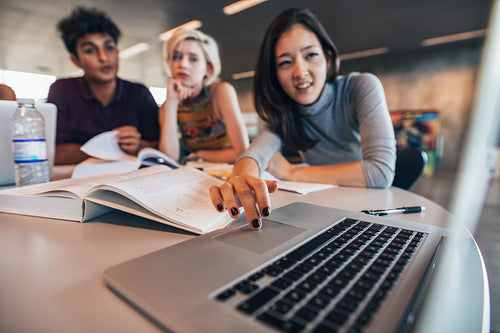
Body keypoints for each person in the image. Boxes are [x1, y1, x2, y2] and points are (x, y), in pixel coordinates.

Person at [209, 8, 396, 230]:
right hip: (322, 207)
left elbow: (380, 172)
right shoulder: (283, 110)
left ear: (327, 59)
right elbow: (255, 154)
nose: (300, 71)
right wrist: (240, 180)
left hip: (366, 207)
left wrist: (292, 172)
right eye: (285, 62)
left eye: (311, 55)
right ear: (275, 74)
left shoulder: (361, 87)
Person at [48, 7, 160, 165]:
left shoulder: (139, 93)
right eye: (90, 50)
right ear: (75, 60)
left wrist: (138, 145)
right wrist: (112, 148)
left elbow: (158, 145)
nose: (103, 57)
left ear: (117, 52)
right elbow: (56, 153)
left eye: (109, 47)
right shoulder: (62, 91)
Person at [158, 28, 249, 163]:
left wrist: (200, 154)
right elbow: (169, 159)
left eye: (193, 59)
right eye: (177, 57)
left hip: (231, 173)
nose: (182, 64)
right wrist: (171, 103)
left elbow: (242, 153)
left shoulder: (221, 93)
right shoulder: (169, 105)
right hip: (197, 174)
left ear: (208, 69)